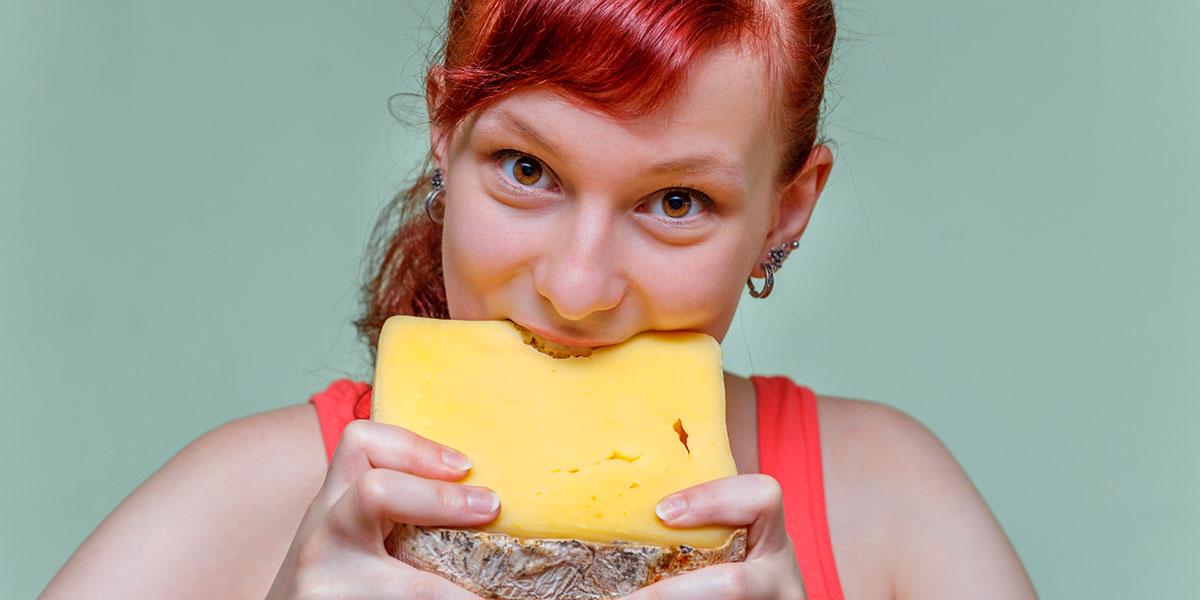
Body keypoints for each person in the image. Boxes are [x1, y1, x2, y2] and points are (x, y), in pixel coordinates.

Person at [40, 0, 1037, 598]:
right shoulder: (254, 503)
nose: (575, 287)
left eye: (676, 201)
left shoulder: (890, 503)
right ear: (445, 133)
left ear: (787, 209)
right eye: (526, 169)